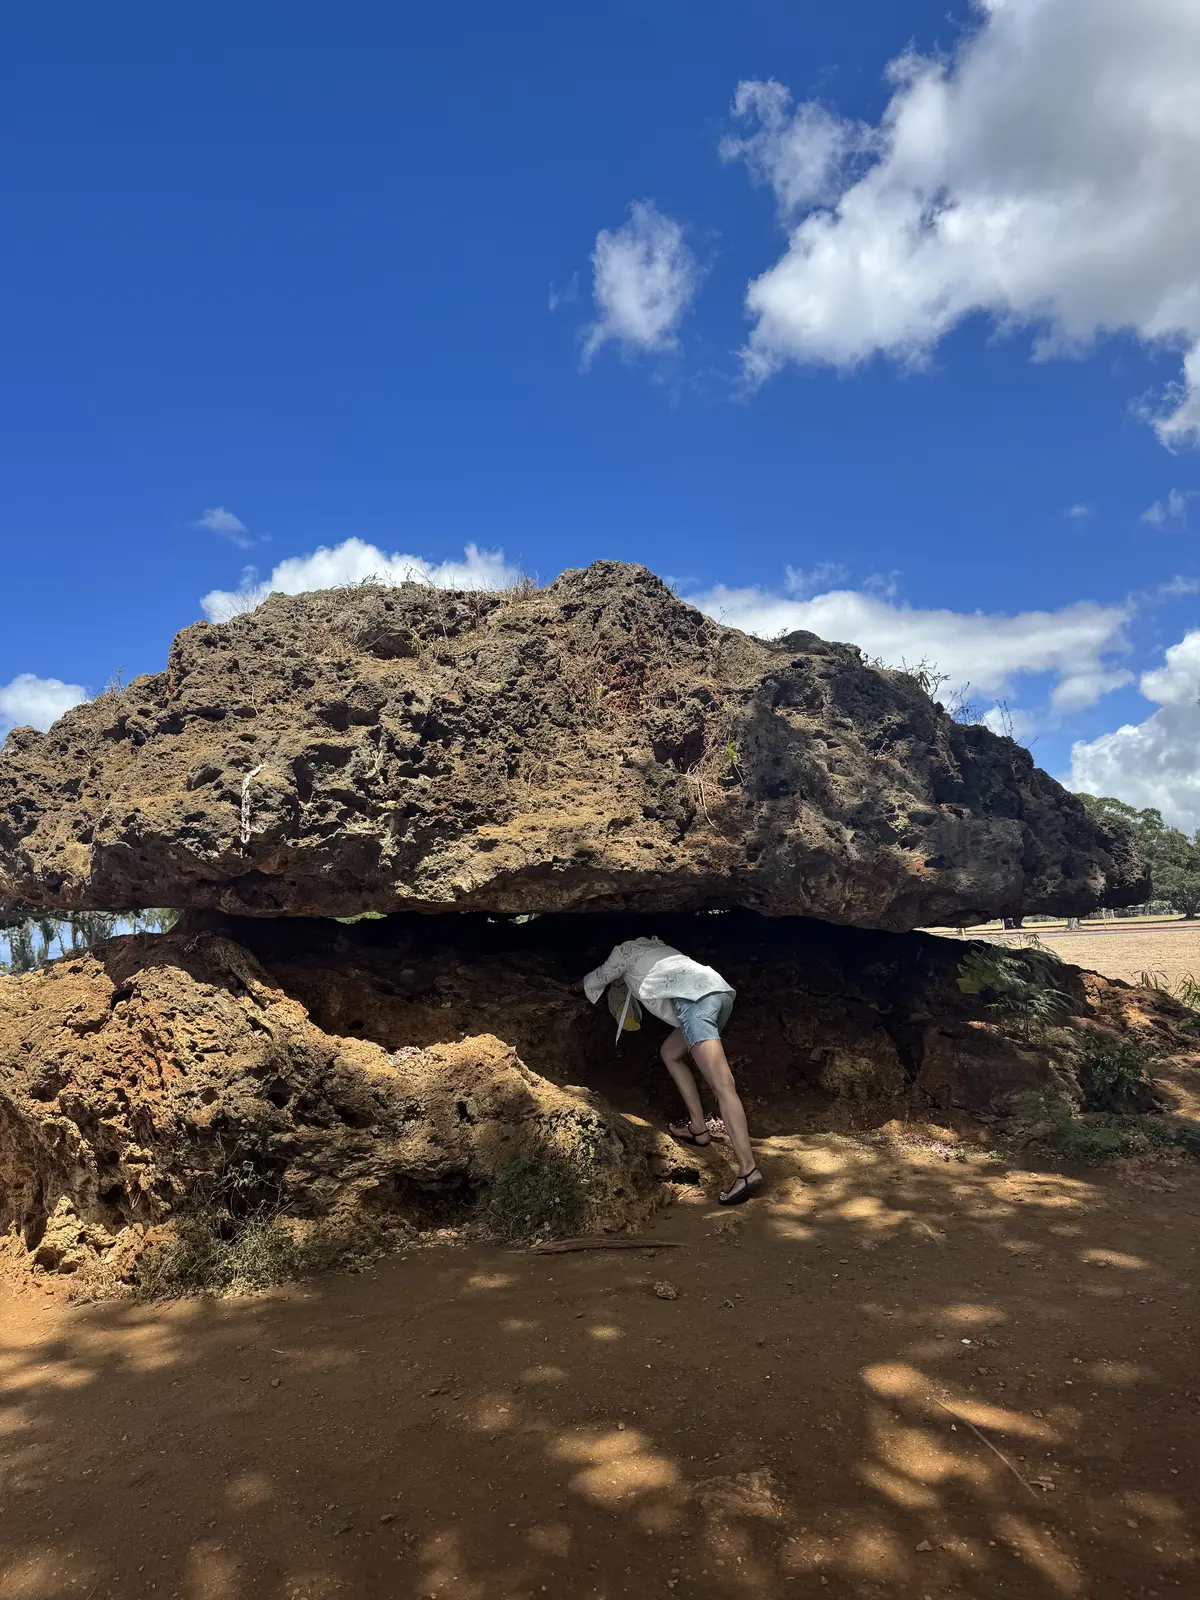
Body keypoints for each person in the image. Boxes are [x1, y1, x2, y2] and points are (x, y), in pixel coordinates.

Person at [582, 936, 762, 1205]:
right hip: (720, 994)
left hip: (695, 1004)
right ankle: (698, 1129)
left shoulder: (623, 951)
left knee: (723, 1087)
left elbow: (599, 977)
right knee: (671, 1052)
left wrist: (576, 985)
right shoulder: (657, 946)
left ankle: (748, 1170)